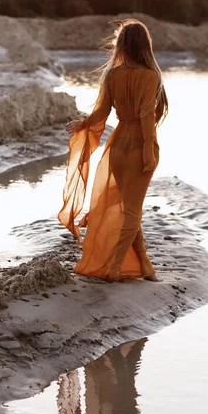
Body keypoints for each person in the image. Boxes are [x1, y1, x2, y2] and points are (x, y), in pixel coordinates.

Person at [58, 19, 168, 282]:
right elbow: (145, 118)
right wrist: (149, 153)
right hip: (139, 146)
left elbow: (101, 113)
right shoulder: (151, 76)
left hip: (117, 147)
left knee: (131, 208)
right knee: (133, 210)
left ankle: (145, 266)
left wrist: (82, 123)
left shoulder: (113, 75)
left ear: (121, 44)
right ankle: (113, 267)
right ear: (144, 45)